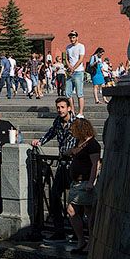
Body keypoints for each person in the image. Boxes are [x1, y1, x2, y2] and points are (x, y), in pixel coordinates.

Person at [32, 96, 77, 242]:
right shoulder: (58, 121)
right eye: (58, 107)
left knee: (76, 199)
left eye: (62, 107)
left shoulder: (77, 123)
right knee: (54, 196)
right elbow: (51, 133)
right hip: (62, 164)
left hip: (74, 165)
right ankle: (60, 231)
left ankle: (78, 232)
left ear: (69, 108)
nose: (60, 110)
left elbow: (84, 141)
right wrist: (40, 141)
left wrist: (74, 152)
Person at [66, 118, 101, 254]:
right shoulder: (80, 141)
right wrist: (71, 152)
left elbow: (95, 165)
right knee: (79, 211)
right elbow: (76, 152)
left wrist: (91, 182)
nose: (72, 132)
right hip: (76, 182)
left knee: (84, 212)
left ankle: (88, 242)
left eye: (74, 129)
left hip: (85, 182)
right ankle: (82, 241)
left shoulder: (92, 144)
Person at [65, 31, 86, 117]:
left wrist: (73, 68)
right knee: (68, 93)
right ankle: (72, 111)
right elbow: (66, 58)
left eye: (73, 37)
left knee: (79, 93)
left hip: (78, 71)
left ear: (77, 37)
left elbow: (81, 59)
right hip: (70, 72)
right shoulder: (68, 47)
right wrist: (69, 66)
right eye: (70, 37)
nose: (72, 39)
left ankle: (80, 113)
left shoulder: (81, 46)